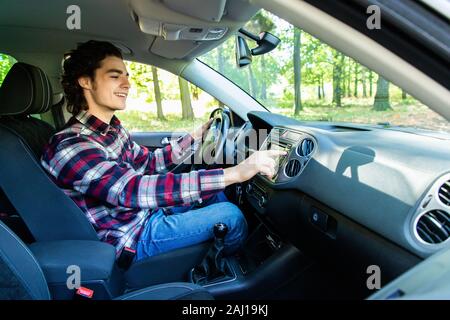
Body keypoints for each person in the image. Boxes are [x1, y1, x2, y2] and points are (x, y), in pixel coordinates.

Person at [41, 40, 284, 261]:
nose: (127, 83)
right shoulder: (71, 145)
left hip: (142, 215)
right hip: (129, 237)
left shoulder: (110, 129)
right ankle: (230, 275)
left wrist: (195, 137)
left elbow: (148, 163)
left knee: (218, 195)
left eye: (126, 75)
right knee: (230, 215)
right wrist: (236, 173)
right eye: (115, 76)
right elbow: (132, 191)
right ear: (86, 81)